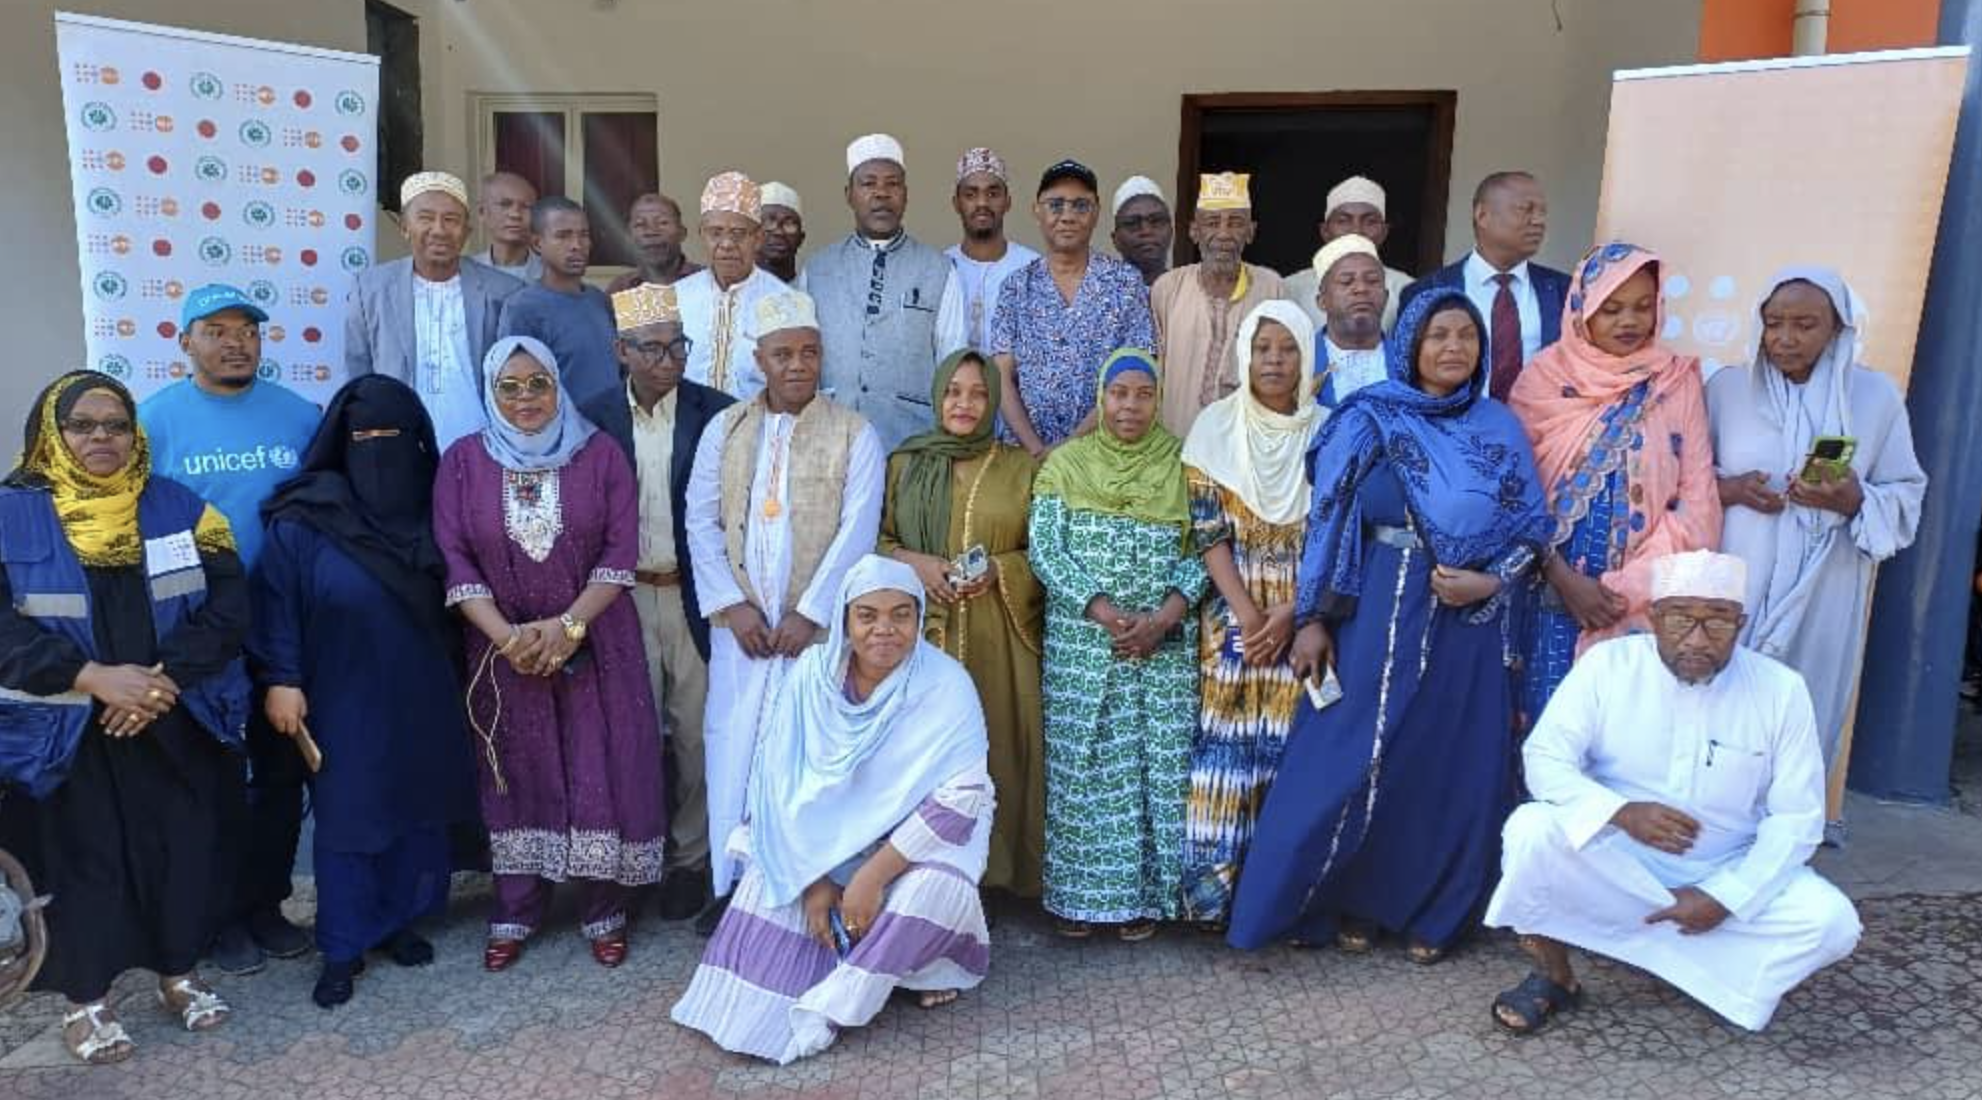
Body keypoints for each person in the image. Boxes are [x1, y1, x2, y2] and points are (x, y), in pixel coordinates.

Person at [1226, 290, 1552, 960]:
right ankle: (1348, 901)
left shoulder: (1497, 426)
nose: (1454, 348)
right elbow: (1330, 520)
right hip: (1376, 603)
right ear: (1410, 344)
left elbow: (1531, 528)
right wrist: (1313, 618)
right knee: (1356, 754)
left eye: (1467, 336)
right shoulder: (1369, 417)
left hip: (1468, 621)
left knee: (1447, 760)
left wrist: (1493, 580)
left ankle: (1434, 913)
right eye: (1438, 336)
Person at [1484, 550, 1862, 1034]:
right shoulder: (1608, 666)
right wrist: (1621, 812)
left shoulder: (1780, 690)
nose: (1697, 639)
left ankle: (1693, 967)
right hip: (1619, 863)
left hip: (1723, 866)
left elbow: (1797, 819)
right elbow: (1544, 759)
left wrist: (1727, 895)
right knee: (1531, 830)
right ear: (1654, 617)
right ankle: (1555, 975)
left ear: (1741, 624)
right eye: (1682, 618)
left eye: (1717, 621)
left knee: (1832, 923)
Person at [0, 371, 249, 1063]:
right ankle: (87, 1001)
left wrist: (160, 684)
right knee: (83, 863)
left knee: (181, 849)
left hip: (170, 716)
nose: (101, 438)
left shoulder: (181, 508)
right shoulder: (10, 514)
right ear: (51, 434)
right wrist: (92, 679)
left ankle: (180, 973)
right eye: (82, 425)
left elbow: (229, 606)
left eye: (115, 425)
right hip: (65, 734)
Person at [670, 556, 993, 1064]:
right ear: (844, 620)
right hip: (821, 843)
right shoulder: (811, 677)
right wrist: (813, 880)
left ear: (920, 616)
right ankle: (886, 966)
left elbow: (963, 797)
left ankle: (843, 999)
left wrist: (871, 877)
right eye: (867, 615)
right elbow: (776, 783)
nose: (884, 629)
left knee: (937, 889)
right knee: (767, 871)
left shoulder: (946, 684)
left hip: (911, 849)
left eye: (901, 615)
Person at [433, 335, 667, 971]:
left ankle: (604, 907)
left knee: (599, 764)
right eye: (509, 387)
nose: (525, 398)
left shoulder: (600, 454)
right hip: (501, 649)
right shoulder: (462, 462)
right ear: (490, 392)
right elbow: (454, 556)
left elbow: (619, 551)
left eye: (538, 383)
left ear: (558, 386)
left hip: (597, 641)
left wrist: (567, 627)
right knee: (514, 767)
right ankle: (516, 905)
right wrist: (509, 639)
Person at [252, 376, 478, 1007]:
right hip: (339, 688)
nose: (380, 451)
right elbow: (276, 605)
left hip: (425, 684)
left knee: (415, 803)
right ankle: (342, 945)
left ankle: (398, 921)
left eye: (394, 437)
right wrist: (282, 679)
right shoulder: (306, 516)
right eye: (364, 437)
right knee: (350, 814)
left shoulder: (438, 507)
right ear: (341, 443)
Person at [684, 289, 886, 934]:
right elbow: (700, 521)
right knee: (733, 752)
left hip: (813, 635)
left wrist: (812, 612)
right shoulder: (725, 429)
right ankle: (732, 889)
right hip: (741, 632)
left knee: (806, 756)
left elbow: (858, 530)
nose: (797, 365)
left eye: (808, 352)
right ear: (759, 361)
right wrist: (731, 605)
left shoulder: (855, 432)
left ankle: (803, 890)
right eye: (783, 354)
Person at [141, 283, 320, 976]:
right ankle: (218, 918)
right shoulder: (154, 422)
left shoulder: (298, 415)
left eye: (247, 330)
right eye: (216, 330)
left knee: (279, 775)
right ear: (185, 341)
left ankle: (266, 905)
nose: (235, 342)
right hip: (199, 629)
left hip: (282, 624)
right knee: (211, 778)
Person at [1707, 268, 1925, 780]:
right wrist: (1732, 489)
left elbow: (1906, 491)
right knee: (1718, 701)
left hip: (1826, 585)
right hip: (1738, 575)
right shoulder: (1727, 389)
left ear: (1838, 328)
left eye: (1805, 325)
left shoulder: (1874, 397)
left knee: (1807, 701)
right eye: (1774, 323)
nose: (1786, 338)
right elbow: (1681, 476)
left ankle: (1791, 816)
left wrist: (1854, 499)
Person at [1028, 348, 1207, 941]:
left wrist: (1163, 618)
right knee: (1084, 767)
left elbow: (1204, 550)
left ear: (1158, 401)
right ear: (1101, 398)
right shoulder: (1065, 464)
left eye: (1143, 395)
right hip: (1085, 646)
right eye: (1118, 393)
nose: (1130, 406)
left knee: (1156, 768)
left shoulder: (1183, 463)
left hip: (1163, 647)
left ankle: (1146, 899)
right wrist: (1103, 612)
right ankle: (1078, 900)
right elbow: (1046, 550)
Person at [580, 282, 738, 922]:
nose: (668, 359)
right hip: (619, 599)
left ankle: (690, 862)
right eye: (652, 348)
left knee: (697, 738)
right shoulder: (591, 416)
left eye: (678, 346)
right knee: (629, 735)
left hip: (693, 598)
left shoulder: (718, 414)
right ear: (621, 350)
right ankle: (634, 860)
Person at [1510, 242, 1721, 723]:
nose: (1630, 321)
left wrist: (1625, 589)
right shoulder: (1541, 382)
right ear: (1582, 310)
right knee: (1542, 731)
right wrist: (1562, 578)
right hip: (1545, 597)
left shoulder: (1675, 381)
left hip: (1638, 607)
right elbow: (1512, 497)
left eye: (1643, 307)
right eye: (1612, 309)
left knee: (1623, 735)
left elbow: (1698, 503)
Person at [880, 350, 1046, 896]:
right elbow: (876, 543)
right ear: (937, 396)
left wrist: (1000, 569)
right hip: (921, 641)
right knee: (922, 756)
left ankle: (990, 879)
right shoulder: (905, 464)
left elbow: (1043, 554)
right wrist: (916, 563)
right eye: (953, 391)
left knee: (994, 753)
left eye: (979, 393)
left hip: (997, 639)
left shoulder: (1021, 468)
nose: (964, 404)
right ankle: (922, 881)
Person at [1179, 300, 1323, 925]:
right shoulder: (1214, 428)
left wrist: (1292, 611)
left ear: (1306, 357)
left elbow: (1336, 536)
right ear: (1244, 356)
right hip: (1232, 614)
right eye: (1262, 349)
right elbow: (1207, 531)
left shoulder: (1329, 433)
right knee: (1224, 752)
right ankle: (1214, 903)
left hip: (1305, 618)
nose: (1274, 361)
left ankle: (1277, 901)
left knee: (1293, 751)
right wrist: (1247, 615)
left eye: (1287, 349)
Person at [802, 133, 967, 450]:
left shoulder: (938, 269)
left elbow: (953, 361)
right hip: (831, 441)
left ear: (906, 195)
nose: (881, 193)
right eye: (868, 183)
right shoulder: (818, 269)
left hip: (912, 444)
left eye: (892, 184)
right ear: (849, 195)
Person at [347, 171, 527, 451]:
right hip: (399, 446)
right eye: (426, 218)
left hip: (484, 446)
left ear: (467, 231)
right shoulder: (370, 289)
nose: (439, 230)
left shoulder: (505, 292)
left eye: (451, 220)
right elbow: (359, 374)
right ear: (404, 227)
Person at [991, 160, 1156, 456]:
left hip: (1102, 456)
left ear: (1096, 213)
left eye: (1080, 205)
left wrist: (1066, 450)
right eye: (1055, 205)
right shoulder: (1015, 287)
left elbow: (1134, 374)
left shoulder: (1125, 284)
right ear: (1037, 211)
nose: (1067, 216)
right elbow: (1001, 377)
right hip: (1027, 458)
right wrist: (1037, 451)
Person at [1400, 171, 1571, 402]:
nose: (1539, 221)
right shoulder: (1427, 291)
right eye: (1526, 209)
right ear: (1482, 215)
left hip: (1541, 423)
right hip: (1454, 421)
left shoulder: (1565, 291)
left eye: (1542, 212)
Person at [1150, 172, 1290, 436]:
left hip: (1242, 445)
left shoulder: (1272, 288)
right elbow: (1149, 368)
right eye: (1213, 223)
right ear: (1194, 231)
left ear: (1250, 232)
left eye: (1235, 223)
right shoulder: (1168, 289)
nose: (1224, 234)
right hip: (1173, 443)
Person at [675, 172, 790, 401]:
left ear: (758, 238)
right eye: (715, 233)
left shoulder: (784, 301)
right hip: (691, 422)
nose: (726, 244)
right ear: (701, 235)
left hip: (755, 422)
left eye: (738, 233)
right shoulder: (677, 297)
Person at [497, 196, 620, 406]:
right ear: (537, 244)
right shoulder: (523, 308)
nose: (576, 245)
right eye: (563, 236)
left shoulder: (598, 300)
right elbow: (519, 388)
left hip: (612, 423)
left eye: (583, 235)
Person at [1284, 176, 1414, 334]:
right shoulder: (1291, 289)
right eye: (1343, 221)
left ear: (1384, 232)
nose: (1356, 231)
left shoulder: (1406, 289)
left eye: (1370, 221)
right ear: (1325, 231)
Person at [946, 148, 1040, 353]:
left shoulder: (1033, 269)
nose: (982, 203)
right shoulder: (941, 269)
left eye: (993, 194)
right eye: (970, 194)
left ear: (1007, 202)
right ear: (956, 203)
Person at [1309, 235, 1391, 407]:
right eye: (1346, 281)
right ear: (1322, 301)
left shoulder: (1411, 361)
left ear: (1385, 297)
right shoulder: (1300, 361)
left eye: (1372, 281)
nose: (1361, 289)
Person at [606, 192, 705, 293]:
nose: (651, 232)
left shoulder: (707, 282)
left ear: (682, 233)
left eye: (663, 223)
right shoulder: (620, 288)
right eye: (640, 224)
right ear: (629, 237)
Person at [476, 170, 544, 282]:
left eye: (526, 206)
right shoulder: (464, 272)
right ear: (482, 212)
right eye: (505, 204)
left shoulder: (554, 275)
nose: (515, 214)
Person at [1110, 175, 1173, 287]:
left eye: (1156, 221)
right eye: (1132, 223)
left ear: (1171, 232)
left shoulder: (1189, 292)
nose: (1146, 231)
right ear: (1115, 240)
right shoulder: (1097, 293)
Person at [757, 182, 806, 285]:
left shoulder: (815, 290)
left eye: (789, 224)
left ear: (801, 239)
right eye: (769, 222)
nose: (778, 232)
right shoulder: (731, 291)